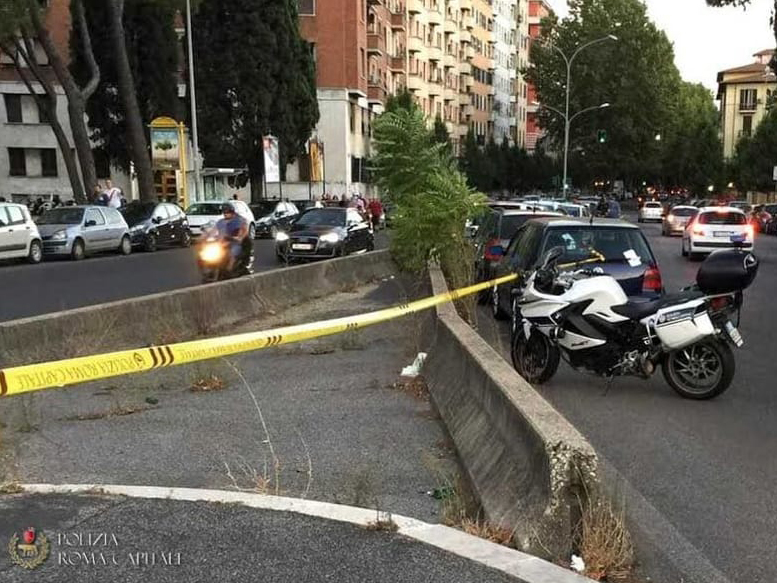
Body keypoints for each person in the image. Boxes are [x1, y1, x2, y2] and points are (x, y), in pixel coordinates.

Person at [216, 202, 249, 271]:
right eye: (224, 212)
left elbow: (244, 231)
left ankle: (230, 269)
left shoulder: (240, 220)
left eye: (227, 212)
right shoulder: (221, 222)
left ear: (232, 212)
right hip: (223, 243)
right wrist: (205, 237)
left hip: (235, 242)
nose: (225, 214)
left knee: (232, 252)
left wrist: (239, 237)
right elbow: (214, 230)